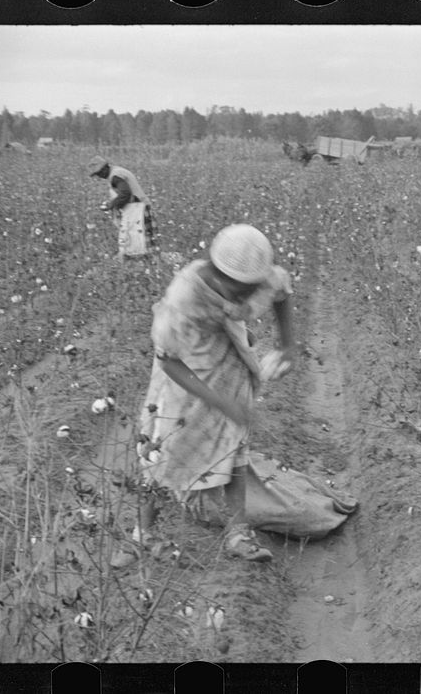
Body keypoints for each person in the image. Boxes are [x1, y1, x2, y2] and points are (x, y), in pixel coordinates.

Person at [113, 224, 297, 567]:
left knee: (233, 449)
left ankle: (238, 534)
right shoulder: (185, 296)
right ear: (215, 272)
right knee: (161, 450)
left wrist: (288, 344)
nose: (243, 297)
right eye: (236, 290)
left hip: (230, 363)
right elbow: (168, 361)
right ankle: (143, 533)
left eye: (249, 290)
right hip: (186, 371)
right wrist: (221, 403)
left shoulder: (262, 281)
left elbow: (282, 292)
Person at [87, 155, 156, 258]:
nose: (100, 176)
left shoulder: (115, 176)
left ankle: (150, 266)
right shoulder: (117, 172)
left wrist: (110, 205)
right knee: (145, 242)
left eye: (100, 173)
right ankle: (150, 265)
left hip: (138, 209)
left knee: (141, 243)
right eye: (97, 174)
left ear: (105, 167)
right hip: (140, 207)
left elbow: (125, 194)